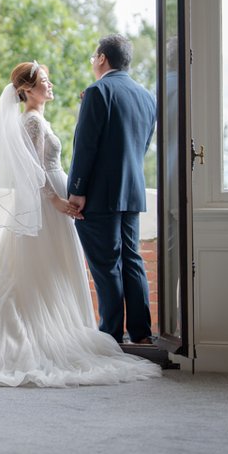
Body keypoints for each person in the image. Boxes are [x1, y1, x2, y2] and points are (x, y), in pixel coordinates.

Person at [0, 60, 161, 387]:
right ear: (25, 90)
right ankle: (32, 331)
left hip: (57, 198)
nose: (50, 85)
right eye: (44, 82)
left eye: (48, 80)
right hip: (47, 204)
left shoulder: (39, 120)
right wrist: (58, 201)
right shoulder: (31, 124)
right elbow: (33, 174)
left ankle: (80, 327)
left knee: (55, 270)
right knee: (42, 270)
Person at [68, 34, 157, 346]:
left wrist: (77, 189)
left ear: (102, 58)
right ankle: (142, 334)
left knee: (106, 265)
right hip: (132, 191)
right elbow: (143, 145)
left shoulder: (97, 91)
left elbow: (85, 146)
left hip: (100, 194)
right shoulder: (146, 96)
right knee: (132, 260)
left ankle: (111, 335)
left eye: (94, 57)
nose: (93, 62)